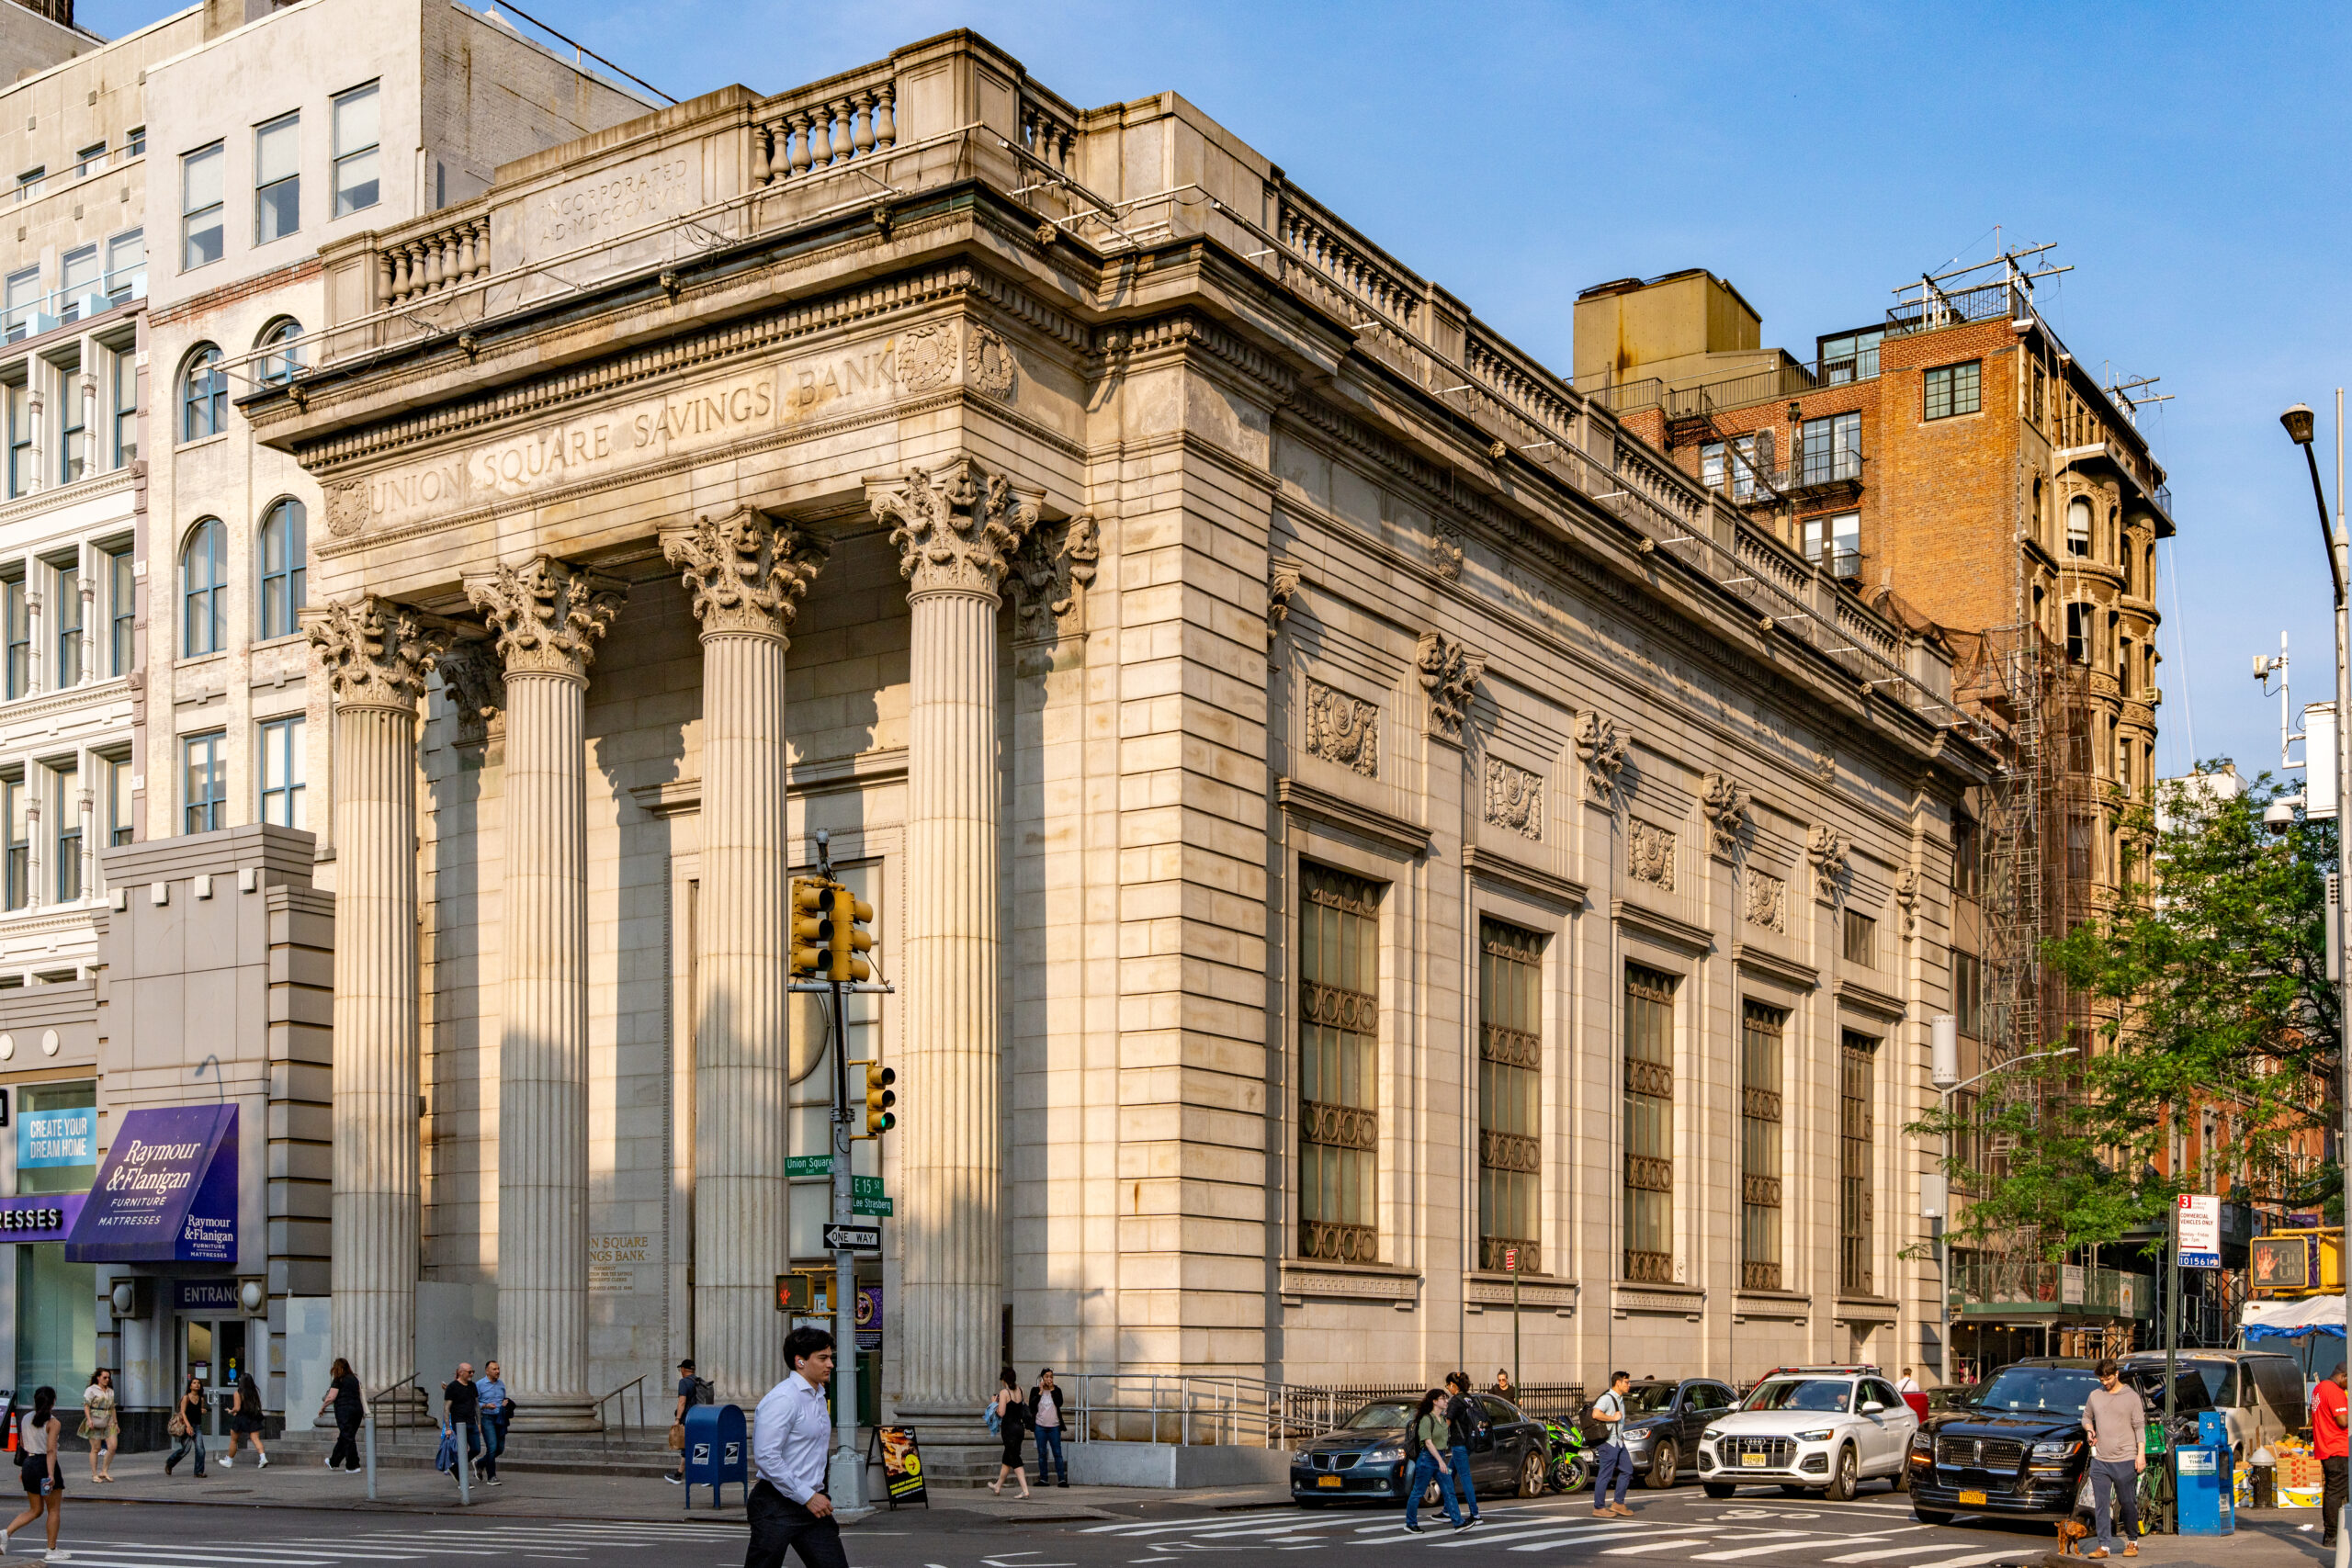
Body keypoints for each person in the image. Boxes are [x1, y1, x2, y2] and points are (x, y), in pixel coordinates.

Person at [745, 1324, 848, 1568]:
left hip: (812, 1505)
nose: (830, 1364)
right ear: (800, 1361)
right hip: (777, 1504)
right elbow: (766, 1456)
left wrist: (813, 1495)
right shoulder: (783, 1398)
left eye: (830, 1357)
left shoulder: (818, 1395)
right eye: (822, 1358)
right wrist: (807, 1496)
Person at [2081, 1358, 2145, 1560]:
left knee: (2127, 1502)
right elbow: (2086, 1417)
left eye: (2108, 1379)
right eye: (2101, 1379)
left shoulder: (2131, 1397)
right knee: (2101, 1504)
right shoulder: (2095, 1395)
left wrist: (2140, 1455)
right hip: (2101, 1459)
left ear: (2116, 1374)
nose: (2105, 1383)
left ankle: (2133, 1541)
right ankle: (2104, 1546)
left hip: (2125, 1458)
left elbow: (2139, 1427)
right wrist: (2090, 1430)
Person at [4, 1385, 62, 1557]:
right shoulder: (53, 1422)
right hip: (45, 1465)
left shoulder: (25, 1418)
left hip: (29, 1464)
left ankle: (5, 1534)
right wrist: (51, 1474)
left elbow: (23, 1444)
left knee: (35, 1510)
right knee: (53, 1510)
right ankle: (51, 1550)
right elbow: (50, 1450)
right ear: (53, 1402)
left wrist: (24, 1469)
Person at [1402, 1389, 1464, 1533]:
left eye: (1447, 1398)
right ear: (1435, 1401)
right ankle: (1410, 1523)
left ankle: (1458, 1522)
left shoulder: (1442, 1419)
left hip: (1439, 1457)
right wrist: (1440, 1461)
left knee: (1449, 1490)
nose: (1446, 1401)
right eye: (1443, 1398)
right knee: (1418, 1492)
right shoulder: (1426, 1419)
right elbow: (1428, 1443)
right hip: (1427, 1459)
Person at [1589, 1371, 1635, 1518]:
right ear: (1618, 1383)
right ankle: (1599, 1507)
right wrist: (1612, 1418)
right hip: (1608, 1442)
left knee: (1627, 1469)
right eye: (1626, 1382)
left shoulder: (1619, 1399)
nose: (1629, 1385)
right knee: (1605, 1474)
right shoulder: (1607, 1398)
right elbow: (1596, 1414)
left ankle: (1618, 1504)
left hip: (1618, 1441)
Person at [1442, 1371, 1487, 1526]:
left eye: (1448, 1386)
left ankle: (1475, 1514)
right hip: (1469, 1442)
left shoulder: (1455, 1401)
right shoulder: (1469, 1398)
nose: (1448, 1389)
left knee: (1465, 1477)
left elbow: (1447, 1423)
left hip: (1459, 1443)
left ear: (1453, 1385)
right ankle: (1447, 1510)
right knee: (1449, 1473)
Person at [2315, 1362, 2348, 1551]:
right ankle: (2333, 1535)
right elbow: (2343, 1421)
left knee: (2333, 1492)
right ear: (2343, 1376)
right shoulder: (2335, 1391)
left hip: (2326, 1447)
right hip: (2338, 1449)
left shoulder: (2319, 1388)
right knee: (2335, 1494)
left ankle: (2333, 1534)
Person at [318, 1359, 364, 1473]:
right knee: (346, 1436)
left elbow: (331, 1397)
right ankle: (333, 1461)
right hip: (357, 1410)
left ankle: (353, 1465)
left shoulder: (339, 1379)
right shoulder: (355, 1379)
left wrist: (322, 1407)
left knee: (347, 1437)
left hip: (344, 1411)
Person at [989, 1369, 1030, 1498]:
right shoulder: (1021, 1390)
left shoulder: (1004, 1392)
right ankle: (997, 1486)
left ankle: (1025, 1490)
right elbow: (1024, 1406)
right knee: (1007, 1458)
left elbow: (1001, 1413)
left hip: (1009, 1429)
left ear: (1004, 1380)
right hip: (1020, 1428)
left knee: (1014, 1458)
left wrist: (994, 1403)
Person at [665, 1357, 704, 1485]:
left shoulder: (684, 1382)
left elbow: (682, 1401)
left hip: (689, 1418)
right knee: (695, 1446)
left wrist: (677, 1419)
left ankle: (680, 1475)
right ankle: (680, 1474)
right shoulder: (699, 1381)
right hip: (700, 1416)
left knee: (687, 1446)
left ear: (682, 1369)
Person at [1027, 1369, 1068, 1489]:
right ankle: (1044, 1479)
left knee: (1057, 1453)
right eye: (1046, 1376)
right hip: (1040, 1426)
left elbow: (1059, 1403)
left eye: (1051, 1377)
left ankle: (1061, 1479)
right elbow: (1031, 1405)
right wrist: (1040, 1391)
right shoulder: (1035, 1390)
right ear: (1042, 1378)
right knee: (1042, 1453)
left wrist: (1052, 1389)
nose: (1049, 1379)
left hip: (1054, 1426)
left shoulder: (1057, 1390)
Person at [442, 1362, 481, 1485]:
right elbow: (446, 1408)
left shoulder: (472, 1386)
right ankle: (462, 1481)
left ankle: (455, 1468)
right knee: (463, 1450)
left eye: (473, 1371)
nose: (472, 1374)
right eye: (469, 1372)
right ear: (461, 1372)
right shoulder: (452, 1387)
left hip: (472, 1422)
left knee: (476, 1449)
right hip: (459, 1423)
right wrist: (447, 1428)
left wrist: (479, 1423)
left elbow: (476, 1405)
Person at [220, 1370, 266, 1469]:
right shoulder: (254, 1392)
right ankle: (263, 1458)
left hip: (241, 1418)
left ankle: (229, 1460)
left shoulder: (238, 1393)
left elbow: (237, 1408)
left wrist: (231, 1411)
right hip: (253, 1417)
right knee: (255, 1439)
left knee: (234, 1440)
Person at [165, 1373, 207, 1478]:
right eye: (194, 1383)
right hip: (186, 1426)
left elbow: (198, 1410)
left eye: (198, 1383)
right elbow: (183, 1413)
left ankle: (198, 1472)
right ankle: (170, 1463)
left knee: (200, 1449)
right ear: (190, 1386)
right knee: (186, 1449)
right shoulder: (186, 1398)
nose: (197, 1385)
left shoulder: (201, 1399)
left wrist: (202, 1411)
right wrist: (188, 1426)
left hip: (197, 1426)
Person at [474, 1360, 509, 1485]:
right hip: (487, 1418)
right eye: (494, 1369)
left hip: (500, 1419)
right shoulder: (479, 1384)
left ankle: (480, 1463)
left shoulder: (501, 1384)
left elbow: (503, 1398)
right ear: (487, 1371)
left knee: (499, 1449)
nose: (497, 1371)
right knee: (492, 1447)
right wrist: (485, 1405)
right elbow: (474, 1403)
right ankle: (491, 1476)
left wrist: (505, 1404)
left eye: (498, 1369)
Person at [80, 1368, 117, 1483]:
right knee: (96, 1448)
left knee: (113, 1446)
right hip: (95, 1419)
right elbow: (86, 1405)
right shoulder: (91, 1390)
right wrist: (89, 1420)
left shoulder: (110, 1391)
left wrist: (116, 1423)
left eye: (108, 1377)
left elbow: (112, 1407)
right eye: (104, 1377)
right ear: (98, 1377)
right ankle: (94, 1474)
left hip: (109, 1420)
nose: (107, 1379)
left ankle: (104, 1471)